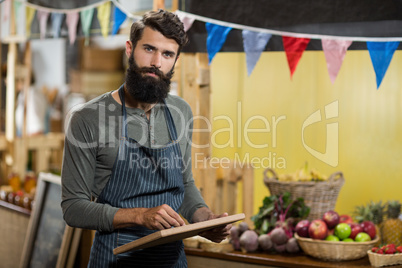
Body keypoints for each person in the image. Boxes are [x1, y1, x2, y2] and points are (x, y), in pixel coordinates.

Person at [61, 9, 231, 267]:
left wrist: (204, 218)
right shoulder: (87, 118)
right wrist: (140, 216)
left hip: (172, 260)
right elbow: (73, 208)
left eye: (167, 54)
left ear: (175, 60)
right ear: (130, 49)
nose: (156, 62)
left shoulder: (181, 112)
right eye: (149, 49)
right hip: (115, 258)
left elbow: (183, 185)